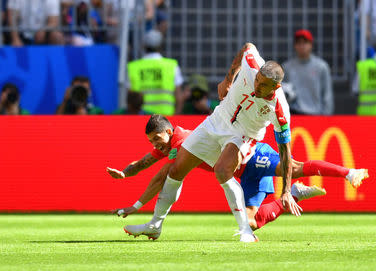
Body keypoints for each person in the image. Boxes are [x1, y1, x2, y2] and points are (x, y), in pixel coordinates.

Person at [123, 43, 295, 243]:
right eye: (257, 80)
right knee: (176, 169)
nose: (257, 86)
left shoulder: (280, 110)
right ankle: (154, 225)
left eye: (264, 85)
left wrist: (287, 191)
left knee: (222, 170)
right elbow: (247, 47)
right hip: (216, 120)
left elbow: (285, 151)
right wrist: (228, 79)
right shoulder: (252, 63)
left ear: (276, 87)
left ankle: (245, 231)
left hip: (243, 134)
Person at [107, 115, 369, 239]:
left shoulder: (184, 142)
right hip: (244, 174)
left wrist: (136, 205)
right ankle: (296, 193)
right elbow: (144, 162)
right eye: (152, 141)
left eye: (157, 139)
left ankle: (349, 172)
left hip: (252, 157)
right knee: (253, 223)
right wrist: (125, 173)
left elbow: (163, 173)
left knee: (295, 167)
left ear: (169, 131)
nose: (156, 145)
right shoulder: (170, 145)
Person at [127, 29, 184, 115]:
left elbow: (130, 98)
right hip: (166, 120)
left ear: (144, 46)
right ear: (160, 46)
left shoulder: (133, 67)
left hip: (141, 120)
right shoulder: (171, 66)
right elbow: (179, 97)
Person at [282, 29, 333, 115]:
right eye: (299, 43)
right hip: (294, 115)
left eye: (305, 42)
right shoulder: (286, 67)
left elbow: (327, 94)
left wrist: (326, 117)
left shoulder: (321, 66)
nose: (302, 46)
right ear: (295, 46)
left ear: (311, 45)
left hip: (316, 115)